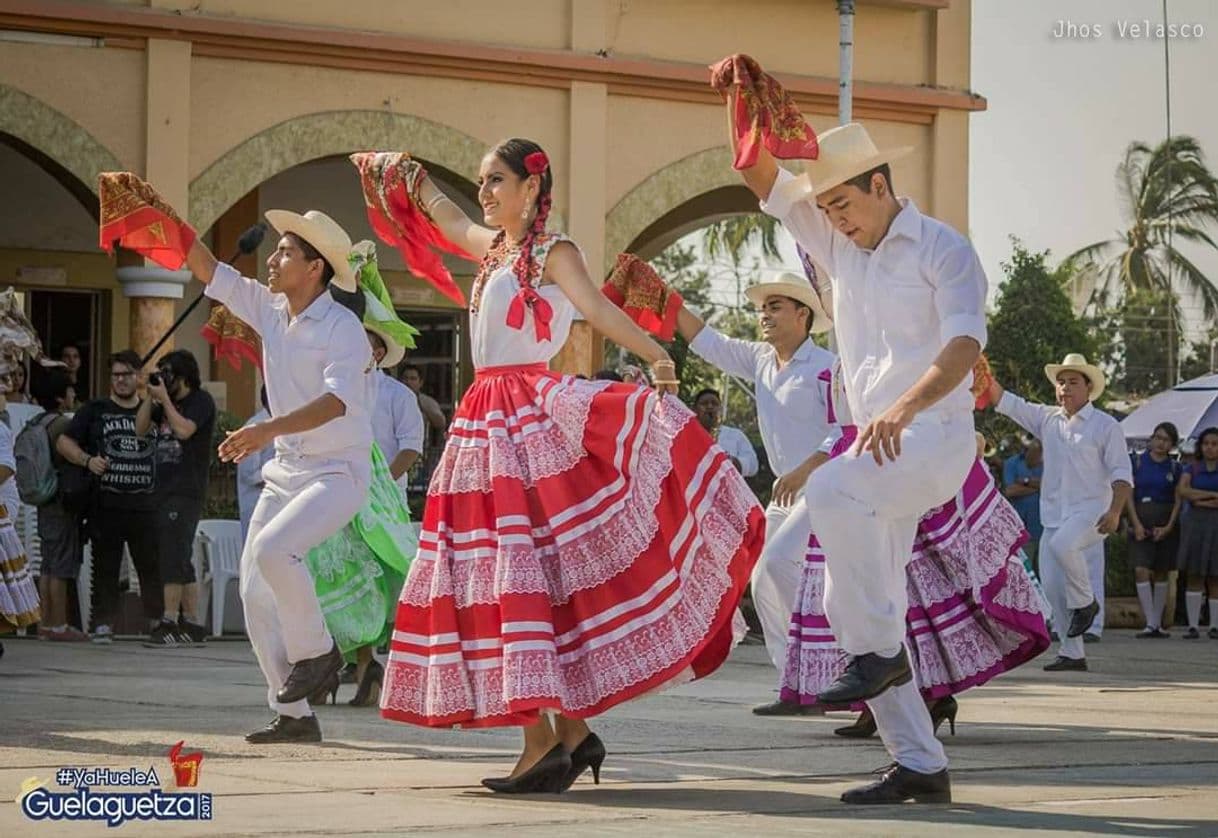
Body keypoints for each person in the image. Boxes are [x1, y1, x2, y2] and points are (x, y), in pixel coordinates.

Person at [359, 140, 764, 793]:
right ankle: (569, 734)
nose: (486, 191)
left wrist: (657, 355)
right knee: (511, 577)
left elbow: (599, 309)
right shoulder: (494, 250)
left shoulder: (554, 252)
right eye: (483, 181)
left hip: (525, 417)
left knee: (523, 575)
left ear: (530, 187)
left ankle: (548, 741)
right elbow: (447, 219)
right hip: (484, 422)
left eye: (497, 180)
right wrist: (405, 173)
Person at [742, 117, 987, 804]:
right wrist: (743, 109)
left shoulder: (944, 249)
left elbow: (964, 346)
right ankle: (919, 762)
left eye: (842, 205)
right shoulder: (838, 244)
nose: (834, 223)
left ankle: (877, 654)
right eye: (825, 211)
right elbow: (760, 177)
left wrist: (905, 407)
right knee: (848, 595)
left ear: (879, 185)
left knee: (834, 495)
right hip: (876, 450)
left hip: (932, 439)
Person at [170, 204, 378, 744]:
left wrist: (264, 431)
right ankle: (295, 716)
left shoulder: (343, 327)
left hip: (338, 472)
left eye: (286, 251)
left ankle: (320, 652)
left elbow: (337, 404)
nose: (273, 258)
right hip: (288, 470)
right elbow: (210, 269)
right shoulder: (269, 308)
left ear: (315, 268)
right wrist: (165, 217)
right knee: (255, 594)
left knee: (273, 550)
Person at [783, 360, 1049, 737]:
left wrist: (964, 439)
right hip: (855, 472)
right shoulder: (843, 361)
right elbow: (836, 429)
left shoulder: (898, 343)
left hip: (898, 466)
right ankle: (890, 707)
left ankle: (923, 705)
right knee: (856, 597)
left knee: (904, 597)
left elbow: (958, 386)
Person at [674, 274, 835, 699]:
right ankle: (797, 684)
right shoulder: (760, 359)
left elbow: (844, 431)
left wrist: (804, 470)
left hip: (827, 488)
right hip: (787, 495)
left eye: (775, 306)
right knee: (763, 580)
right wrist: (665, 299)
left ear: (803, 314)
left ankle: (839, 665)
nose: (764, 315)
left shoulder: (826, 368)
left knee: (781, 563)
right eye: (762, 308)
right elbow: (707, 341)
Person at [988, 353, 1132, 670]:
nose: (1065, 388)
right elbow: (1008, 402)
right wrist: (980, 371)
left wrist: (1115, 511)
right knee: (1053, 588)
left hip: (1093, 513)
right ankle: (1072, 653)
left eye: (1072, 382)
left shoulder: (1105, 426)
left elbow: (1123, 474)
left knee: (1063, 546)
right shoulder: (1047, 419)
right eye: (1061, 382)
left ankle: (1087, 604)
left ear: (1088, 387)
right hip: (1054, 515)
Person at [57, 350, 163, 642]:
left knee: (150, 566)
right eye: (115, 375)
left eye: (127, 375)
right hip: (106, 503)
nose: (120, 381)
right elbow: (63, 441)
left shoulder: (151, 410)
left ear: (138, 377)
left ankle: (156, 621)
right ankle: (103, 623)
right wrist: (87, 460)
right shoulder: (95, 410)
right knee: (105, 566)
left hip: (146, 504)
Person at [136, 349, 216, 646]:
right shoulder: (162, 402)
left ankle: (169, 620)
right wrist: (149, 396)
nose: (163, 379)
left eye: (167, 373)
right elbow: (140, 429)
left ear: (182, 376)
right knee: (180, 555)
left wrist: (166, 400)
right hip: (162, 488)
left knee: (173, 554)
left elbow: (184, 431)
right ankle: (193, 623)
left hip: (186, 489)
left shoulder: (200, 402)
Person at [31, 369, 88, 641]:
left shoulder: (37, 422)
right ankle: (59, 624)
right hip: (61, 501)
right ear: (60, 395)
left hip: (43, 500)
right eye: (70, 390)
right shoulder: (62, 426)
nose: (73, 395)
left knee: (47, 563)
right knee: (61, 565)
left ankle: (44, 622)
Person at [1127, 422, 1182, 638]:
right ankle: (1149, 621)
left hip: (1165, 518)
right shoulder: (1138, 462)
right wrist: (1135, 523)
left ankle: (1157, 623)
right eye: (1158, 438)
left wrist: (1169, 526)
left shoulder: (1175, 467)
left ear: (1172, 445)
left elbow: (1178, 499)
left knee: (1162, 570)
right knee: (1141, 568)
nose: (1160, 443)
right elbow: (1128, 495)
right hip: (1140, 515)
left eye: (1166, 440)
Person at [1175, 426, 1218, 640]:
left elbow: (1192, 495)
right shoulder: (1192, 468)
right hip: (1195, 524)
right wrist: (1210, 496)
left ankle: (1214, 625)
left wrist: (1198, 498)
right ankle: (1192, 626)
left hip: (1216, 525)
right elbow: (1183, 491)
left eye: (1214, 444)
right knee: (1194, 573)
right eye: (1206, 443)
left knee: (1214, 575)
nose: (1210, 448)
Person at [691, 388, 758, 477]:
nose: (710, 406)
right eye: (704, 403)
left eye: (714, 404)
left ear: (720, 410)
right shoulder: (686, 435)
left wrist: (732, 463)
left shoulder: (735, 435)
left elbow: (753, 465)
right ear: (694, 410)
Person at [1004, 437, 1044, 553]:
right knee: (1027, 568)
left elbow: (1051, 486)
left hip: (1044, 527)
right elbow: (1010, 491)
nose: (1037, 461)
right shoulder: (1012, 463)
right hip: (1022, 528)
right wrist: (1038, 487)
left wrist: (1026, 482)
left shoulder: (1048, 463)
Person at [400, 364, 446, 434]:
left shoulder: (427, 401)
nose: (408, 382)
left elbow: (441, 423)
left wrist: (423, 406)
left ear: (420, 383)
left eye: (413, 379)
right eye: (405, 378)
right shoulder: (393, 400)